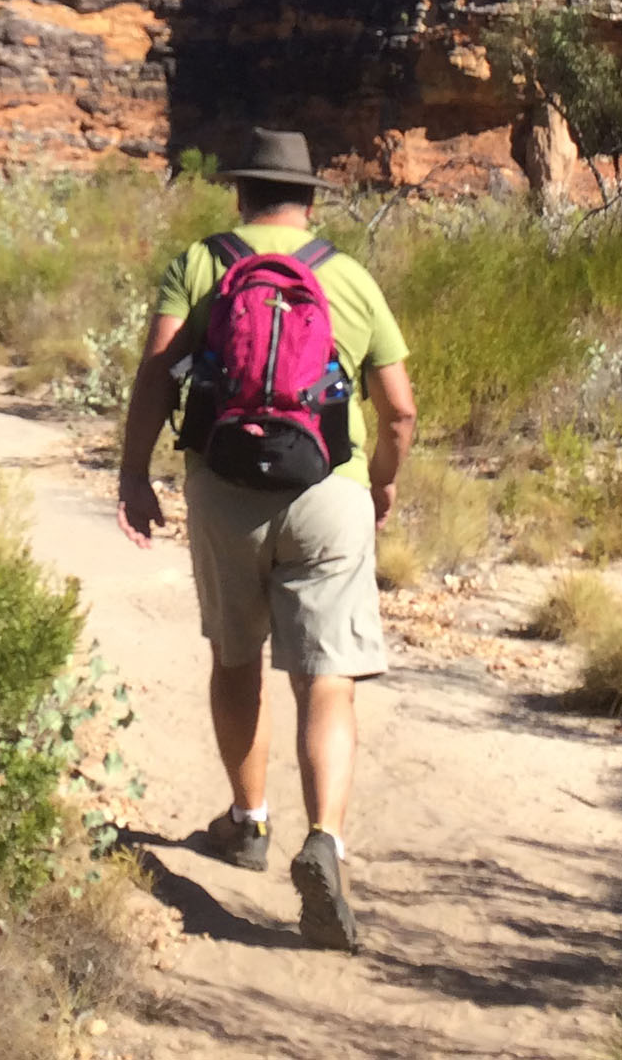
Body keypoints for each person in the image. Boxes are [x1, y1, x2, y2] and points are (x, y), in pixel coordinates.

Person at [117, 128, 416, 953]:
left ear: (240, 193)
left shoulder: (200, 262)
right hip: (330, 490)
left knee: (235, 657)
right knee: (328, 679)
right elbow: (400, 408)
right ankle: (324, 838)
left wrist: (134, 471)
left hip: (223, 489)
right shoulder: (347, 275)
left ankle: (247, 821)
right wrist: (381, 476)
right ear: (309, 199)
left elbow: (155, 372)